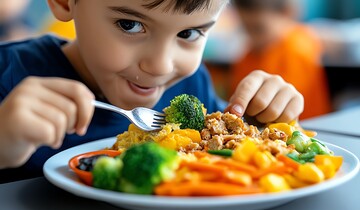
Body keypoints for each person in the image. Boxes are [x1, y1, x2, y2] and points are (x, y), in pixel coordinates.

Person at [0, 0, 304, 183]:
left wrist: (261, 121)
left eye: (189, 33)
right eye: (130, 25)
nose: (160, 66)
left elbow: (224, 150)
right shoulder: (7, 74)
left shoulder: (192, 84)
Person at [229, 0, 331, 119]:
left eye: (258, 29)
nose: (253, 38)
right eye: (246, 28)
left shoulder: (296, 49)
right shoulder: (249, 54)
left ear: (286, 13)